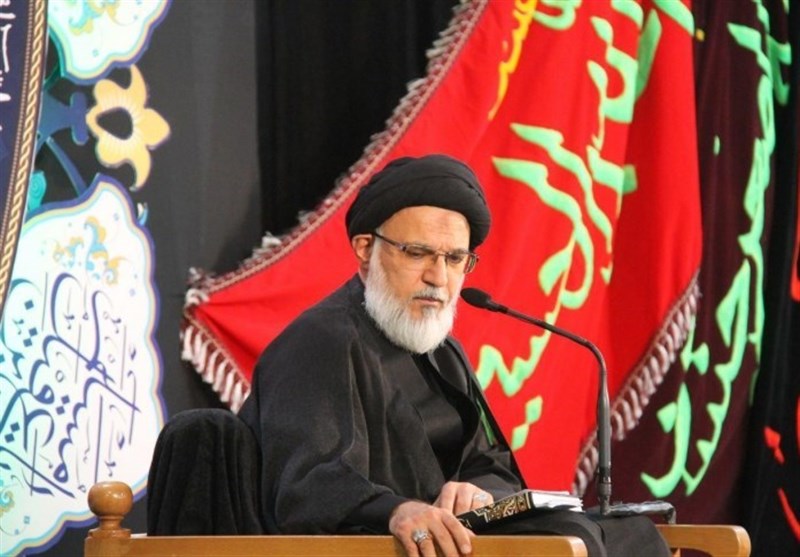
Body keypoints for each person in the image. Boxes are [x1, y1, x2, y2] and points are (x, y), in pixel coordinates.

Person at [236, 154, 671, 557]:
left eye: (455, 259)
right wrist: (396, 510)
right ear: (366, 249)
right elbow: (305, 486)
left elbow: (492, 464)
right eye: (417, 253)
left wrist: (478, 492)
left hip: (455, 540)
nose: (438, 278)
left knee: (628, 533)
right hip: (379, 547)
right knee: (566, 540)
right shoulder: (318, 341)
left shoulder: (443, 352)